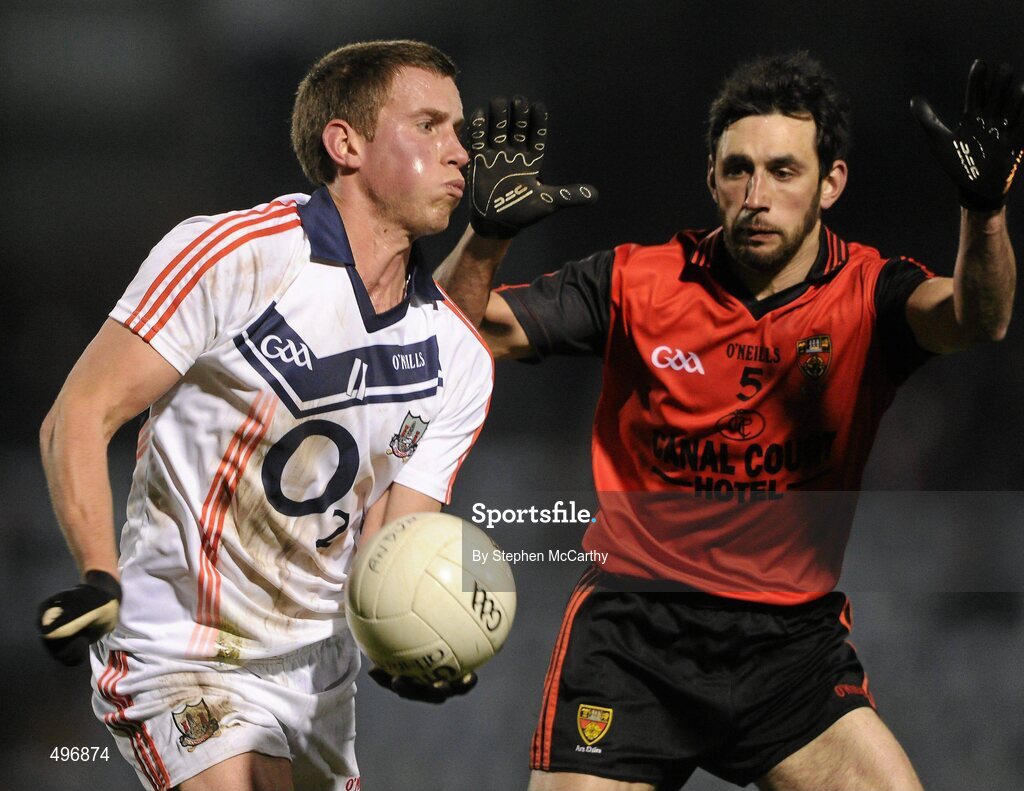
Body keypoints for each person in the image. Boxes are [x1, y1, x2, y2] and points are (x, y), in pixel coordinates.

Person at [437, 54, 1022, 790]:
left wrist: (984, 210)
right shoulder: (639, 281)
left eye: (783, 171)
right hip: (635, 638)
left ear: (831, 182)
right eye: (738, 170)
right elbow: (461, 333)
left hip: (789, 650)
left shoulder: (869, 296)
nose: (756, 195)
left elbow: (978, 317)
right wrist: (485, 237)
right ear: (712, 179)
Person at [36, 39, 496, 791]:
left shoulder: (459, 355)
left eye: (459, 131)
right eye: (429, 126)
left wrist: (410, 642)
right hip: (182, 650)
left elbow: (390, 545)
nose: (460, 153)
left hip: (319, 675)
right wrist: (97, 573)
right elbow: (80, 413)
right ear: (346, 144)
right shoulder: (233, 255)